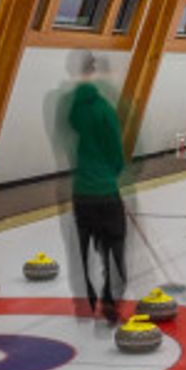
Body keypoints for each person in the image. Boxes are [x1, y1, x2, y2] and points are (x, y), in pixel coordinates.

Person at [61, 50, 130, 322]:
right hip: (105, 193)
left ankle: (87, 302)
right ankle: (110, 301)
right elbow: (115, 154)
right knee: (114, 250)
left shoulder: (71, 107)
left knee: (84, 250)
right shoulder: (104, 109)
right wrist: (112, 176)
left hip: (81, 193)